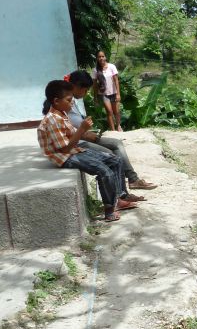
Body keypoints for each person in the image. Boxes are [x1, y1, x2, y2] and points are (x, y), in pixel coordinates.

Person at [38, 80, 137, 222]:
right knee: (104, 171)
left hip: (73, 150)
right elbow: (65, 149)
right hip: (64, 157)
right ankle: (109, 210)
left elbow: (72, 137)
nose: (72, 103)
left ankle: (119, 198)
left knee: (115, 160)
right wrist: (82, 129)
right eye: (69, 100)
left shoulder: (61, 114)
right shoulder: (52, 120)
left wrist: (85, 132)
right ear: (56, 101)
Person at [66, 70, 157, 192]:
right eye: (85, 90)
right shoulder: (63, 103)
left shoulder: (71, 100)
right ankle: (121, 193)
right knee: (111, 155)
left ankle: (132, 180)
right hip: (77, 141)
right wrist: (84, 134)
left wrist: (87, 132)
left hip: (83, 136)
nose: (86, 93)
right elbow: (65, 129)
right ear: (76, 86)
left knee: (116, 143)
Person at [91, 50, 122, 131]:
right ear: (97, 58)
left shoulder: (112, 67)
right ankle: (113, 130)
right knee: (109, 111)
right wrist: (95, 97)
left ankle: (118, 126)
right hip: (103, 94)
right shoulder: (95, 70)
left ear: (105, 57)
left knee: (116, 111)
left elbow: (116, 80)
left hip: (113, 92)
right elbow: (94, 85)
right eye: (99, 57)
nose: (101, 58)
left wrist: (118, 94)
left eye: (103, 56)